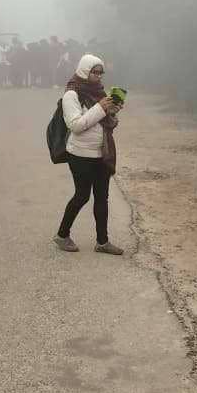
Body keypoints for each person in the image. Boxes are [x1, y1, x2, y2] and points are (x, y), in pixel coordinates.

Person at [53, 54, 124, 256]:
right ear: (85, 70)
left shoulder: (99, 93)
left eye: (101, 72)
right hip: (80, 154)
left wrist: (112, 112)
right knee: (82, 196)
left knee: (102, 197)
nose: (99, 76)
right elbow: (75, 125)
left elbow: (104, 124)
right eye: (95, 71)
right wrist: (101, 108)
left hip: (102, 153)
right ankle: (62, 235)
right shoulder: (71, 95)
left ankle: (103, 242)